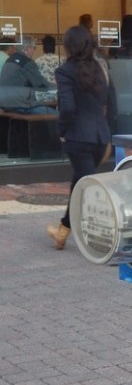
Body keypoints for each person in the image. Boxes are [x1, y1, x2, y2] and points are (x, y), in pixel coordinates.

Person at [47, 25, 116, 250]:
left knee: (89, 190)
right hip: (100, 138)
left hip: (78, 139)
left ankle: (110, 241)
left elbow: (66, 108)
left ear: (68, 46)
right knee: (80, 184)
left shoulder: (65, 71)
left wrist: (62, 131)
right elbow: (113, 105)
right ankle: (63, 231)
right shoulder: (101, 67)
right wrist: (108, 133)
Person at [0, 35, 56, 113]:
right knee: (58, 114)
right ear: (27, 48)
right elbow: (40, 84)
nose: (34, 50)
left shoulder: (9, 60)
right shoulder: (26, 62)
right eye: (34, 48)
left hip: (5, 105)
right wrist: (57, 87)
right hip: (21, 105)